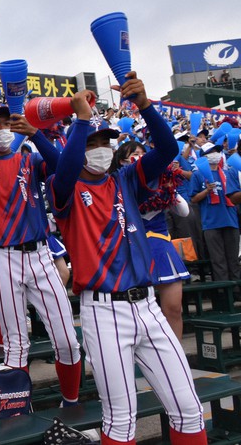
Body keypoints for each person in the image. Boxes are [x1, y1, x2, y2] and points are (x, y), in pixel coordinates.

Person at [47, 74, 206, 444]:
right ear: (77, 146)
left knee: (189, 408)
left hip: (147, 305)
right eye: (93, 142)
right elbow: (65, 168)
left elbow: (166, 149)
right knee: (121, 420)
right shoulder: (65, 187)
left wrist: (146, 106)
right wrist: (82, 120)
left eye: (106, 141)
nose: (101, 147)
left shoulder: (125, 179)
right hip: (104, 311)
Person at [0, 105, 82, 406]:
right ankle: (18, 411)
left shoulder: (28, 158)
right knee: (15, 344)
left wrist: (35, 134)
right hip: (0, 256)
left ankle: (71, 404)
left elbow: (64, 167)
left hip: (39, 253)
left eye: (6, 122)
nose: (1, 128)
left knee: (67, 340)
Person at [110, 142, 191, 338]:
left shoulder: (160, 180)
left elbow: (184, 212)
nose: (140, 157)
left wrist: (170, 189)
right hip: (132, 248)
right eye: (134, 154)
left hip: (161, 247)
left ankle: (176, 359)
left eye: (143, 153)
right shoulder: (116, 184)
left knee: (173, 308)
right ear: (122, 161)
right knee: (139, 312)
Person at [189, 142, 241, 282]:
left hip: (231, 220)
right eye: (211, 151)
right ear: (203, 156)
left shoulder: (228, 171)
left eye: (217, 151)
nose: (215, 154)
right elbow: (193, 198)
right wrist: (207, 191)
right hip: (211, 223)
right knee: (218, 262)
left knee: (233, 260)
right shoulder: (198, 175)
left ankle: (236, 293)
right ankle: (224, 296)